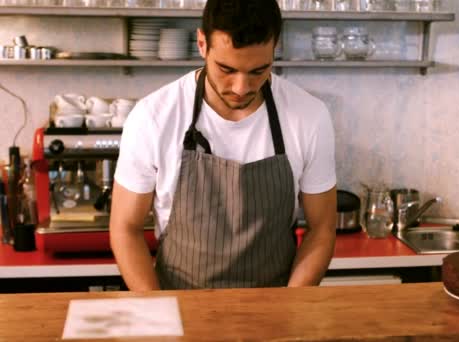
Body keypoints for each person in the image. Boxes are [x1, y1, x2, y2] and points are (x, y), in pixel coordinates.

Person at [109, 0, 337, 290]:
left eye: (258, 71)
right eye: (226, 69)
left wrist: (291, 304)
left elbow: (322, 228)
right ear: (202, 44)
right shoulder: (153, 116)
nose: (241, 87)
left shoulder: (309, 116)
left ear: (275, 47)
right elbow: (125, 228)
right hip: (180, 309)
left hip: (275, 310)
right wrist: (158, 314)